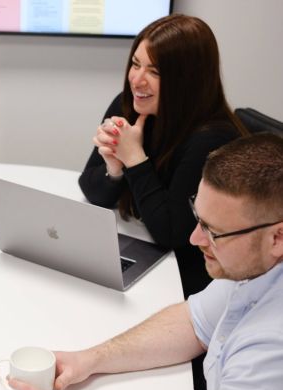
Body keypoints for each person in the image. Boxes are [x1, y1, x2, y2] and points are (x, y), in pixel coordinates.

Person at [9, 133, 283, 390]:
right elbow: (193, 323)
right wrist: (90, 359)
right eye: (199, 219)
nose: (194, 239)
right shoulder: (254, 267)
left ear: (278, 238)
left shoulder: (269, 355)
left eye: (215, 233)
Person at [77, 14, 247, 298]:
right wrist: (114, 170)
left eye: (155, 72)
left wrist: (135, 159)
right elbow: (91, 189)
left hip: (190, 279)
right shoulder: (127, 105)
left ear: (187, 81)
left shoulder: (212, 138)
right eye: (135, 64)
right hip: (144, 252)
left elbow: (172, 234)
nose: (137, 81)